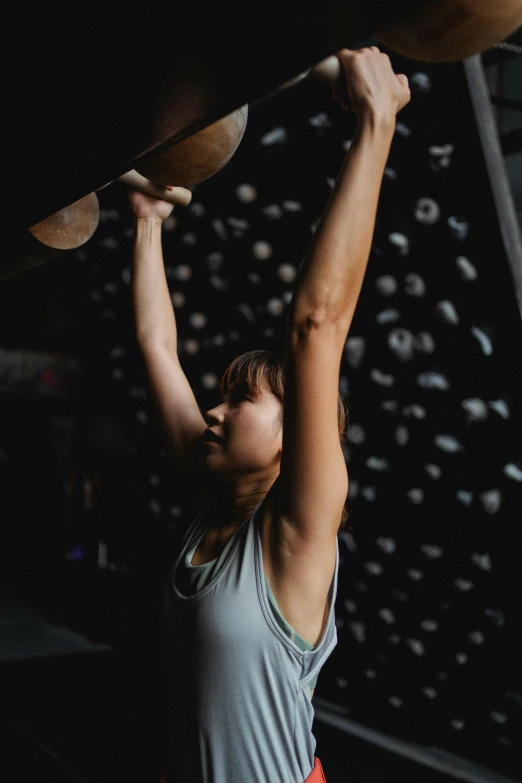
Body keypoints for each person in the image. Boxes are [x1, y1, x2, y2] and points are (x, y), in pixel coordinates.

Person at [128, 47, 410, 783]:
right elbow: (158, 345)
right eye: (220, 395)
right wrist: (149, 222)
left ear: (294, 439)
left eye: (241, 398)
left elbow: (316, 324)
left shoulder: (297, 535)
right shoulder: (208, 496)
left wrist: (375, 124)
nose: (214, 411)